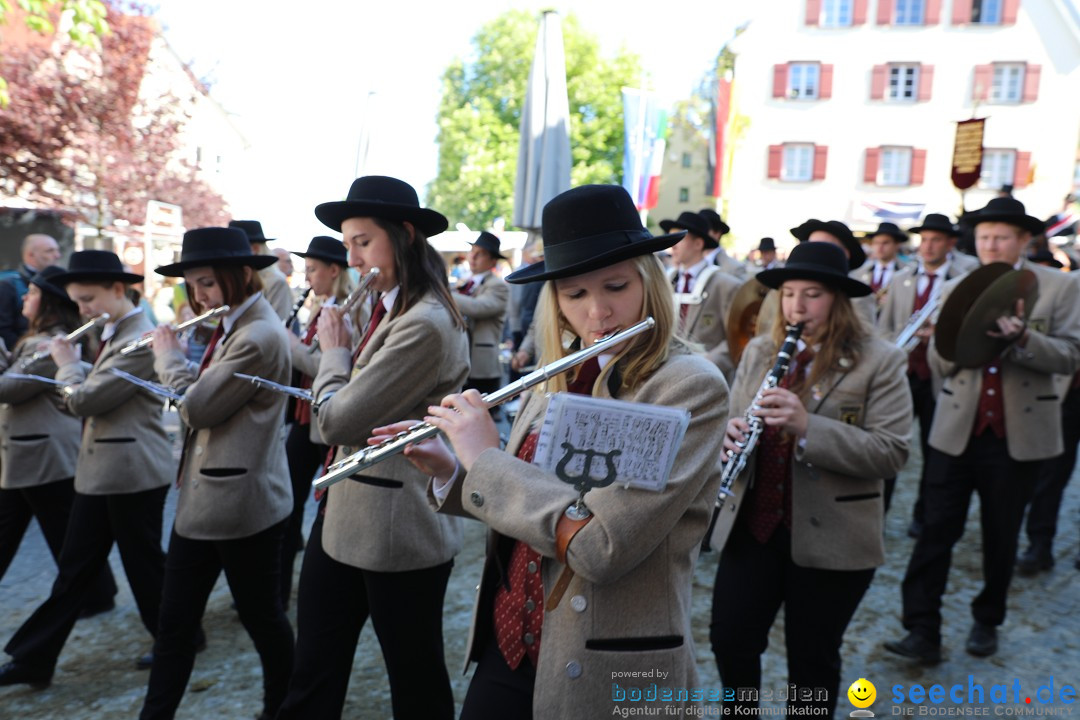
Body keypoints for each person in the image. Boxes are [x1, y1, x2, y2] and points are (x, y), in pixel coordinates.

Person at [382, 183, 730, 719]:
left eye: (615, 286)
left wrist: (488, 461)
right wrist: (455, 467)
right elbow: (521, 499)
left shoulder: (686, 386)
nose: (598, 313)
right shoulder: (558, 373)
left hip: (607, 659)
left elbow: (600, 547)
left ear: (649, 281)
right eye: (574, 294)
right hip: (510, 639)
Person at [276, 176, 469, 720]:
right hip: (345, 514)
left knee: (416, 682)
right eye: (348, 245)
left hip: (397, 529)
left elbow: (336, 419)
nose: (353, 259)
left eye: (363, 242)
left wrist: (333, 354)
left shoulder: (425, 322)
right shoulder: (389, 307)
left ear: (404, 234)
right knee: (312, 672)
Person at [709, 241, 912, 719]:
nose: (797, 306)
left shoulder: (879, 361)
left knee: (811, 659)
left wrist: (808, 428)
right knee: (730, 640)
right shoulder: (761, 350)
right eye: (789, 294)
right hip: (754, 527)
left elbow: (892, 452)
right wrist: (728, 435)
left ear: (839, 301)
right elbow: (735, 419)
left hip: (833, 537)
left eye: (813, 294)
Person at [885, 197, 1080, 664]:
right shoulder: (954, 287)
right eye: (985, 236)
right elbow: (938, 364)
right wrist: (952, 345)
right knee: (935, 530)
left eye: (1002, 237)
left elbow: (1071, 355)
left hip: (1018, 433)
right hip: (957, 428)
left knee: (1001, 534)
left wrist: (1023, 339)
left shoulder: (1061, 286)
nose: (992, 244)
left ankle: (987, 620)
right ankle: (922, 629)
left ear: (1024, 241)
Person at [141, 226, 294, 720]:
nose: (199, 296)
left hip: (240, 502)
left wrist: (167, 356)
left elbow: (198, 408)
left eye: (207, 282)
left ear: (241, 274)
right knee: (175, 623)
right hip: (207, 500)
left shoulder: (258, 334)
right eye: (193, 285)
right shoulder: (234, 322)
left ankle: (282, 708)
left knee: (263, 620)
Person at [0, 251, 173, 688]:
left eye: (90, 298)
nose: (84, 310)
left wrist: (65, 365)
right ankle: (34, 659)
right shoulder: (113, 330)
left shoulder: (143, 335)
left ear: (119, 290)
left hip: (133, 468)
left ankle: (179, 641)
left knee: (145, 566)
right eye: (77, 302)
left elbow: (86, 400)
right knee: (76, 568)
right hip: (102, 468)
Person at [0, 265, 117, 611]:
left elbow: (9, 388)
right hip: (35, 453)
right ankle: (97, 594)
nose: (25, 296)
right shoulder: (41, 341)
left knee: (66, 532)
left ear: (49, 302)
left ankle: (96, 595)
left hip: (42, 453)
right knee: (66, 532)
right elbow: (18, 375)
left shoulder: (49, 343)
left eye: (33, 292)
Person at [877, 213, 971, 531]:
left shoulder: (962, 280)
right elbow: (885, 328)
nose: (928, 247)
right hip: (902, 375)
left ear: (950, 244)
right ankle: (879, 512)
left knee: (935, 454)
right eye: (924, 240)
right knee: (890, 444)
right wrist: (899, 344)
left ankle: (923, 515)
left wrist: (940, 337)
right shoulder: (900, 279)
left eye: (936, 240)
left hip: (938, 376)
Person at [280, 235, 354, 609]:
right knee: (290, 499)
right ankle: (279, 587)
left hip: (326, 417)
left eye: (312, 269)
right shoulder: (319, 306)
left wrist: (291, 346)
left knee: (323, 500)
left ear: (333, 270)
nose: (307, 277)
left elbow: (329, 364)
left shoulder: (343, 311)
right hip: (305, 415)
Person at [661, 210, 742, 380]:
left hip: (708, 377)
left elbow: (737, 337)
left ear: (698, 244)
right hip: (667, 375)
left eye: (679, 240)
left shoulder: (725, 285)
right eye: (671, 239)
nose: (673, 246)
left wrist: (708, 363)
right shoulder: (666, 281)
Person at [454, 231, 509, 397]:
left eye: (481, 254)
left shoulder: (498, 285)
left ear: (493, 261)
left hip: (482, 367)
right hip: (463, 362)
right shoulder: (466, 283)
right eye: (472, 251)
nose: (473, 257)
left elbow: (478, 308)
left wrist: (445, 293)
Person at [0, 233, 62, 348]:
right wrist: (23, 352)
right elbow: (3, 329)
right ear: (31, 255)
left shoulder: (58, 280)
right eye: (49, 251)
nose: (57, 255)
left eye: (57, 250)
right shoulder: (10, 285)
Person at [228, 220, 293, 321]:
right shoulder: (238, 282)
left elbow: (277, 325)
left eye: (235, 249)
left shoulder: (276, 282)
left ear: (255, 248)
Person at [700, 208, 748, 277]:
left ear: (717, 233)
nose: (697, 236)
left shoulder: (735, 268)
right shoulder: (686, 263)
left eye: (702, 230)